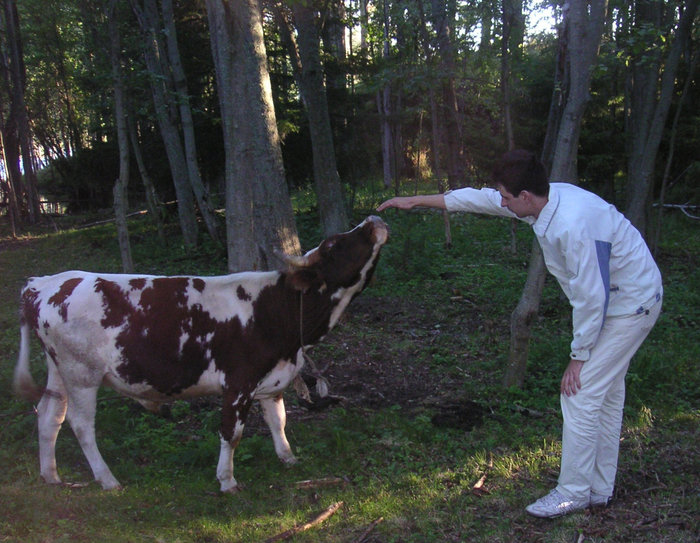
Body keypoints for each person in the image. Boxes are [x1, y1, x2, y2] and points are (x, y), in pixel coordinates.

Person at [377, 149, 663, 518]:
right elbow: (480, 199)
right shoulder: (542, 199)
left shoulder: (574, 223)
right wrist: (417, 200)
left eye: (506, 197)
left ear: (525, 197)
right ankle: (598, 490)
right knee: (604, 395)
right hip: (617, 300)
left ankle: (573, 492)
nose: (501, 202)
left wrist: (579, 358)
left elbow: (593, 298)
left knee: (578, 393)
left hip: (631, 305)